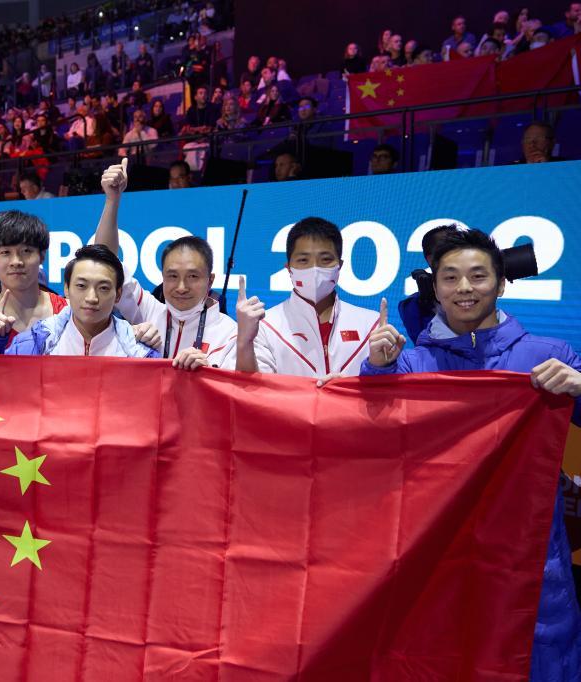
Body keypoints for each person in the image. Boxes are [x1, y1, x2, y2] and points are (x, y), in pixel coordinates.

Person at [359, 228, 581, 680]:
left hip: (528, 550)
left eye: (478, 276)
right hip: (435, 546)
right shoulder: (412, 364)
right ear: (436, 288)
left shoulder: (549, 355)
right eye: (450, 277)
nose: (464, 288)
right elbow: (368, 431)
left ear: (500, 284)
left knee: (536, 656)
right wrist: (375, 370)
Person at [93, 160, 236, 369]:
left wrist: (209, 374)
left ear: (210, 280)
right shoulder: (149, 313)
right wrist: (112, 199)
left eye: (193, 276)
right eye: (172, 276)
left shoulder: (230, 334)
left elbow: (239, 387)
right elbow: (105, 261)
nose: (181, 287)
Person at [235, 217, 380, 380]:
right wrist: (244, 342)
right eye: (303, 260)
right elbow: (253, 388)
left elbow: (384, 389)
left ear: (339, 265)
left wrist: (379, 369)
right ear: (288, 268)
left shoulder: (371, 325)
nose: (314, 269)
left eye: (326, 259)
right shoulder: (265, 326)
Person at [0, 244, 159, 358]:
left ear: (118, 295)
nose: (91, 298)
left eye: (103, 288)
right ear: (66, 289)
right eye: (81, 286)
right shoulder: (38, 341)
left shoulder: (139, 352)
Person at [0, 210, 67, 353]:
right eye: (5, 252)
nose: (16, 261)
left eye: (26, 251)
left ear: (42, 256)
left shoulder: (66, 312)